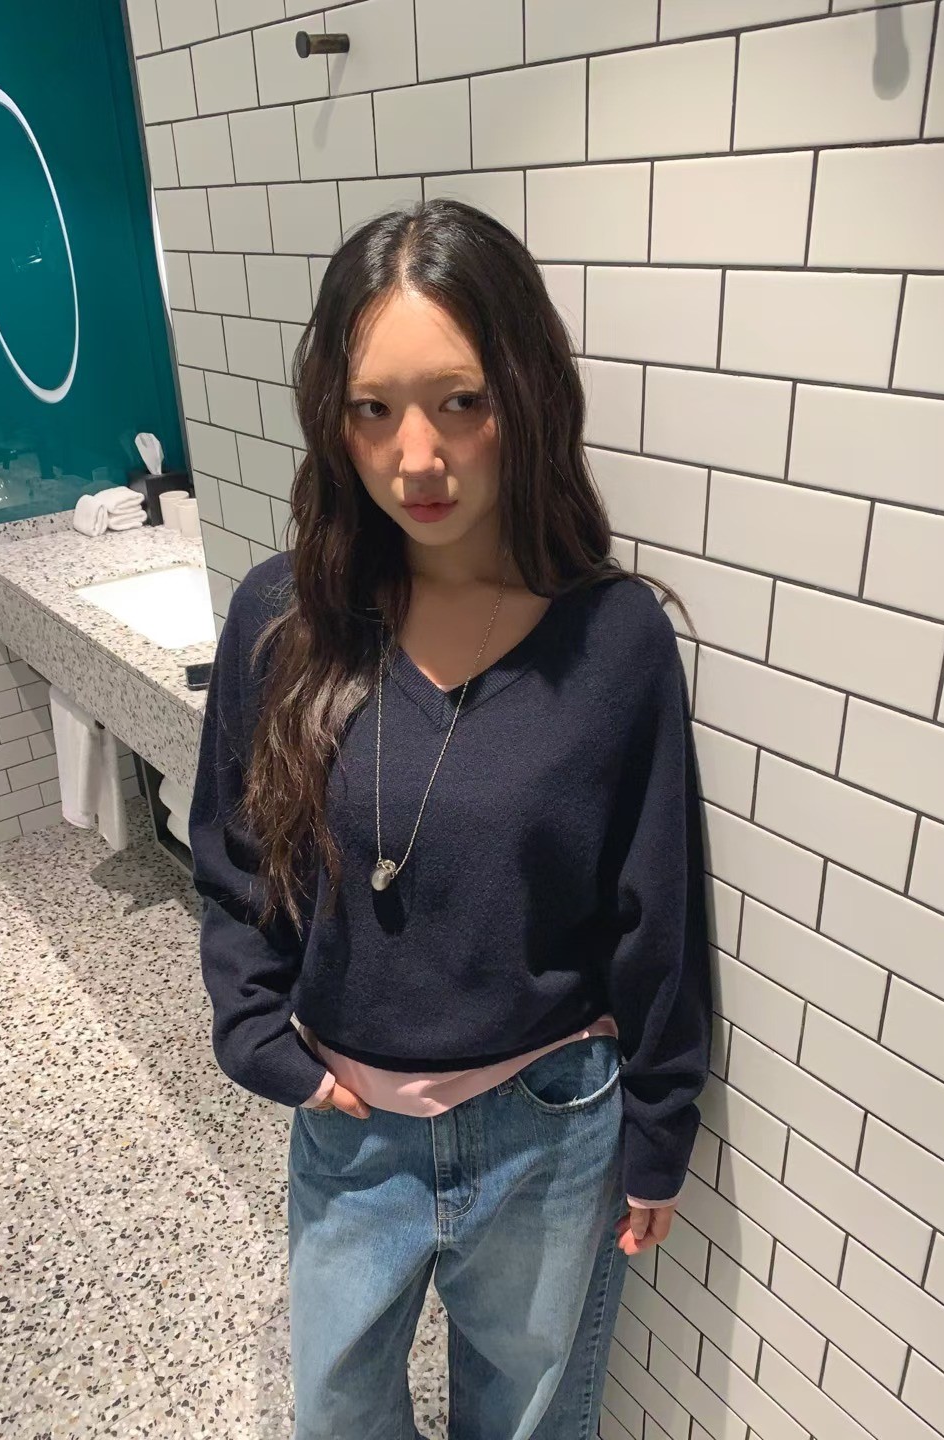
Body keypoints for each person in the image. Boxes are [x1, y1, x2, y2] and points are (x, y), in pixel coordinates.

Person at [188, 197, 713, 1440]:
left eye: (459, 401)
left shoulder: (614, 641)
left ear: (524, 395)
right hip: (352, 1126)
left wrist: (657, 1133)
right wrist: (261, 1035)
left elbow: (659, 914)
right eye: (374, 409)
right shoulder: (283, 621)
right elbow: (236, 858)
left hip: (550, 1124)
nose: (415, 457)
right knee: (337, 1415)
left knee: (527, 1422)